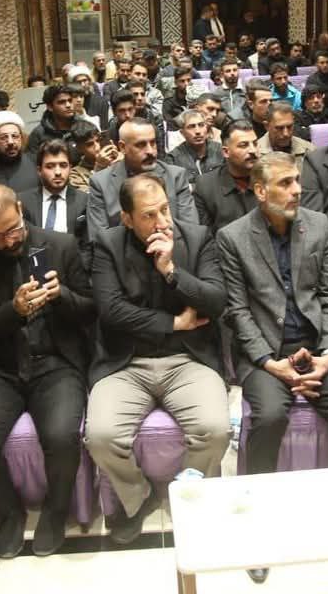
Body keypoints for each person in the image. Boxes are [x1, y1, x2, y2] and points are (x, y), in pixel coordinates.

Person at [217, 152, 328, 587]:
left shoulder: (319, 226)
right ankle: (256, 528)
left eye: (297, 181)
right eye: (285, 183)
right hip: (266, 351)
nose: (297, 190)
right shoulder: (233, 237)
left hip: (318, 347)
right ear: (260, 191)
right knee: (268, 416)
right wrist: (269, 362)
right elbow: (238, 311)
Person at [85, 173, 230, 544]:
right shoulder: (107, 244)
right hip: (126, 363)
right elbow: (111, 311)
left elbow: (216, 301)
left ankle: (190, 494)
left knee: (215, 430)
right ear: (127, 219)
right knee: (100, 437)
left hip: (188, 359)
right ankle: (137, 497)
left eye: (165, 209)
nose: (162, 221)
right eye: (149, 215)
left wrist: (171, 271)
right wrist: (173, 323)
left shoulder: (197, 237)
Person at [0, 184, 91, 558]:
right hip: (1, 368)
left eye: (13, 229)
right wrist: (13, 312)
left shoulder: (61, 245)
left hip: (55, 363)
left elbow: (91, 309)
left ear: (20, 208)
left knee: (62, 437)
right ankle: (10, 513)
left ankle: (56, 510)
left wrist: (62, 296)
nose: (9, 240)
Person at [87, 118, 197, 230]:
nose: (150, 151)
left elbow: (190, 230)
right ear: (122, 147)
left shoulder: (175, 176)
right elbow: (98, 236)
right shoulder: (101, 183)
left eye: (153, 143)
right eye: (141, 145)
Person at [17, 140, 89, 245]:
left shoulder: (84, 201)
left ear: (70, 168)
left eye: (63, 165)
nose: (58, 172)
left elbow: (87, 245)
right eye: (50, 166)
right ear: (39, 170)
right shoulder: (23, 201)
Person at [193, 120, 260, 231]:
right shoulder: (206, 186)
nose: (253, 150)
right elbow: (205, 236)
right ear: (226, 152)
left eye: (255, 144)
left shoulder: (269, 177)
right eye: (244, 145)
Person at [0, 111, 40, 193]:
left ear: (21, 138)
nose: (10, 142)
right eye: (4, 137)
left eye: (15, 136)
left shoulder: (35, 162)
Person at [166, 109, 224, 184]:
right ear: (182, 133)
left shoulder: (220, 151)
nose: (197, 131)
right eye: (191, 127)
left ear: (206, 128)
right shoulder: (173, 158)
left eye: (201, 125)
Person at [257, 101, 314, 171]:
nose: (286, 134)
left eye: (289, 127)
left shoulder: (309, 150)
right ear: (266, 126)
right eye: (279, 128)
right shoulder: (256, 154)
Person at [27, 84, 81, 155]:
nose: (68, 105)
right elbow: (32, 160)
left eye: (70, 101)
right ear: (50, 107)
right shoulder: (38, 134)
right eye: (62, 102)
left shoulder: (83, 127)